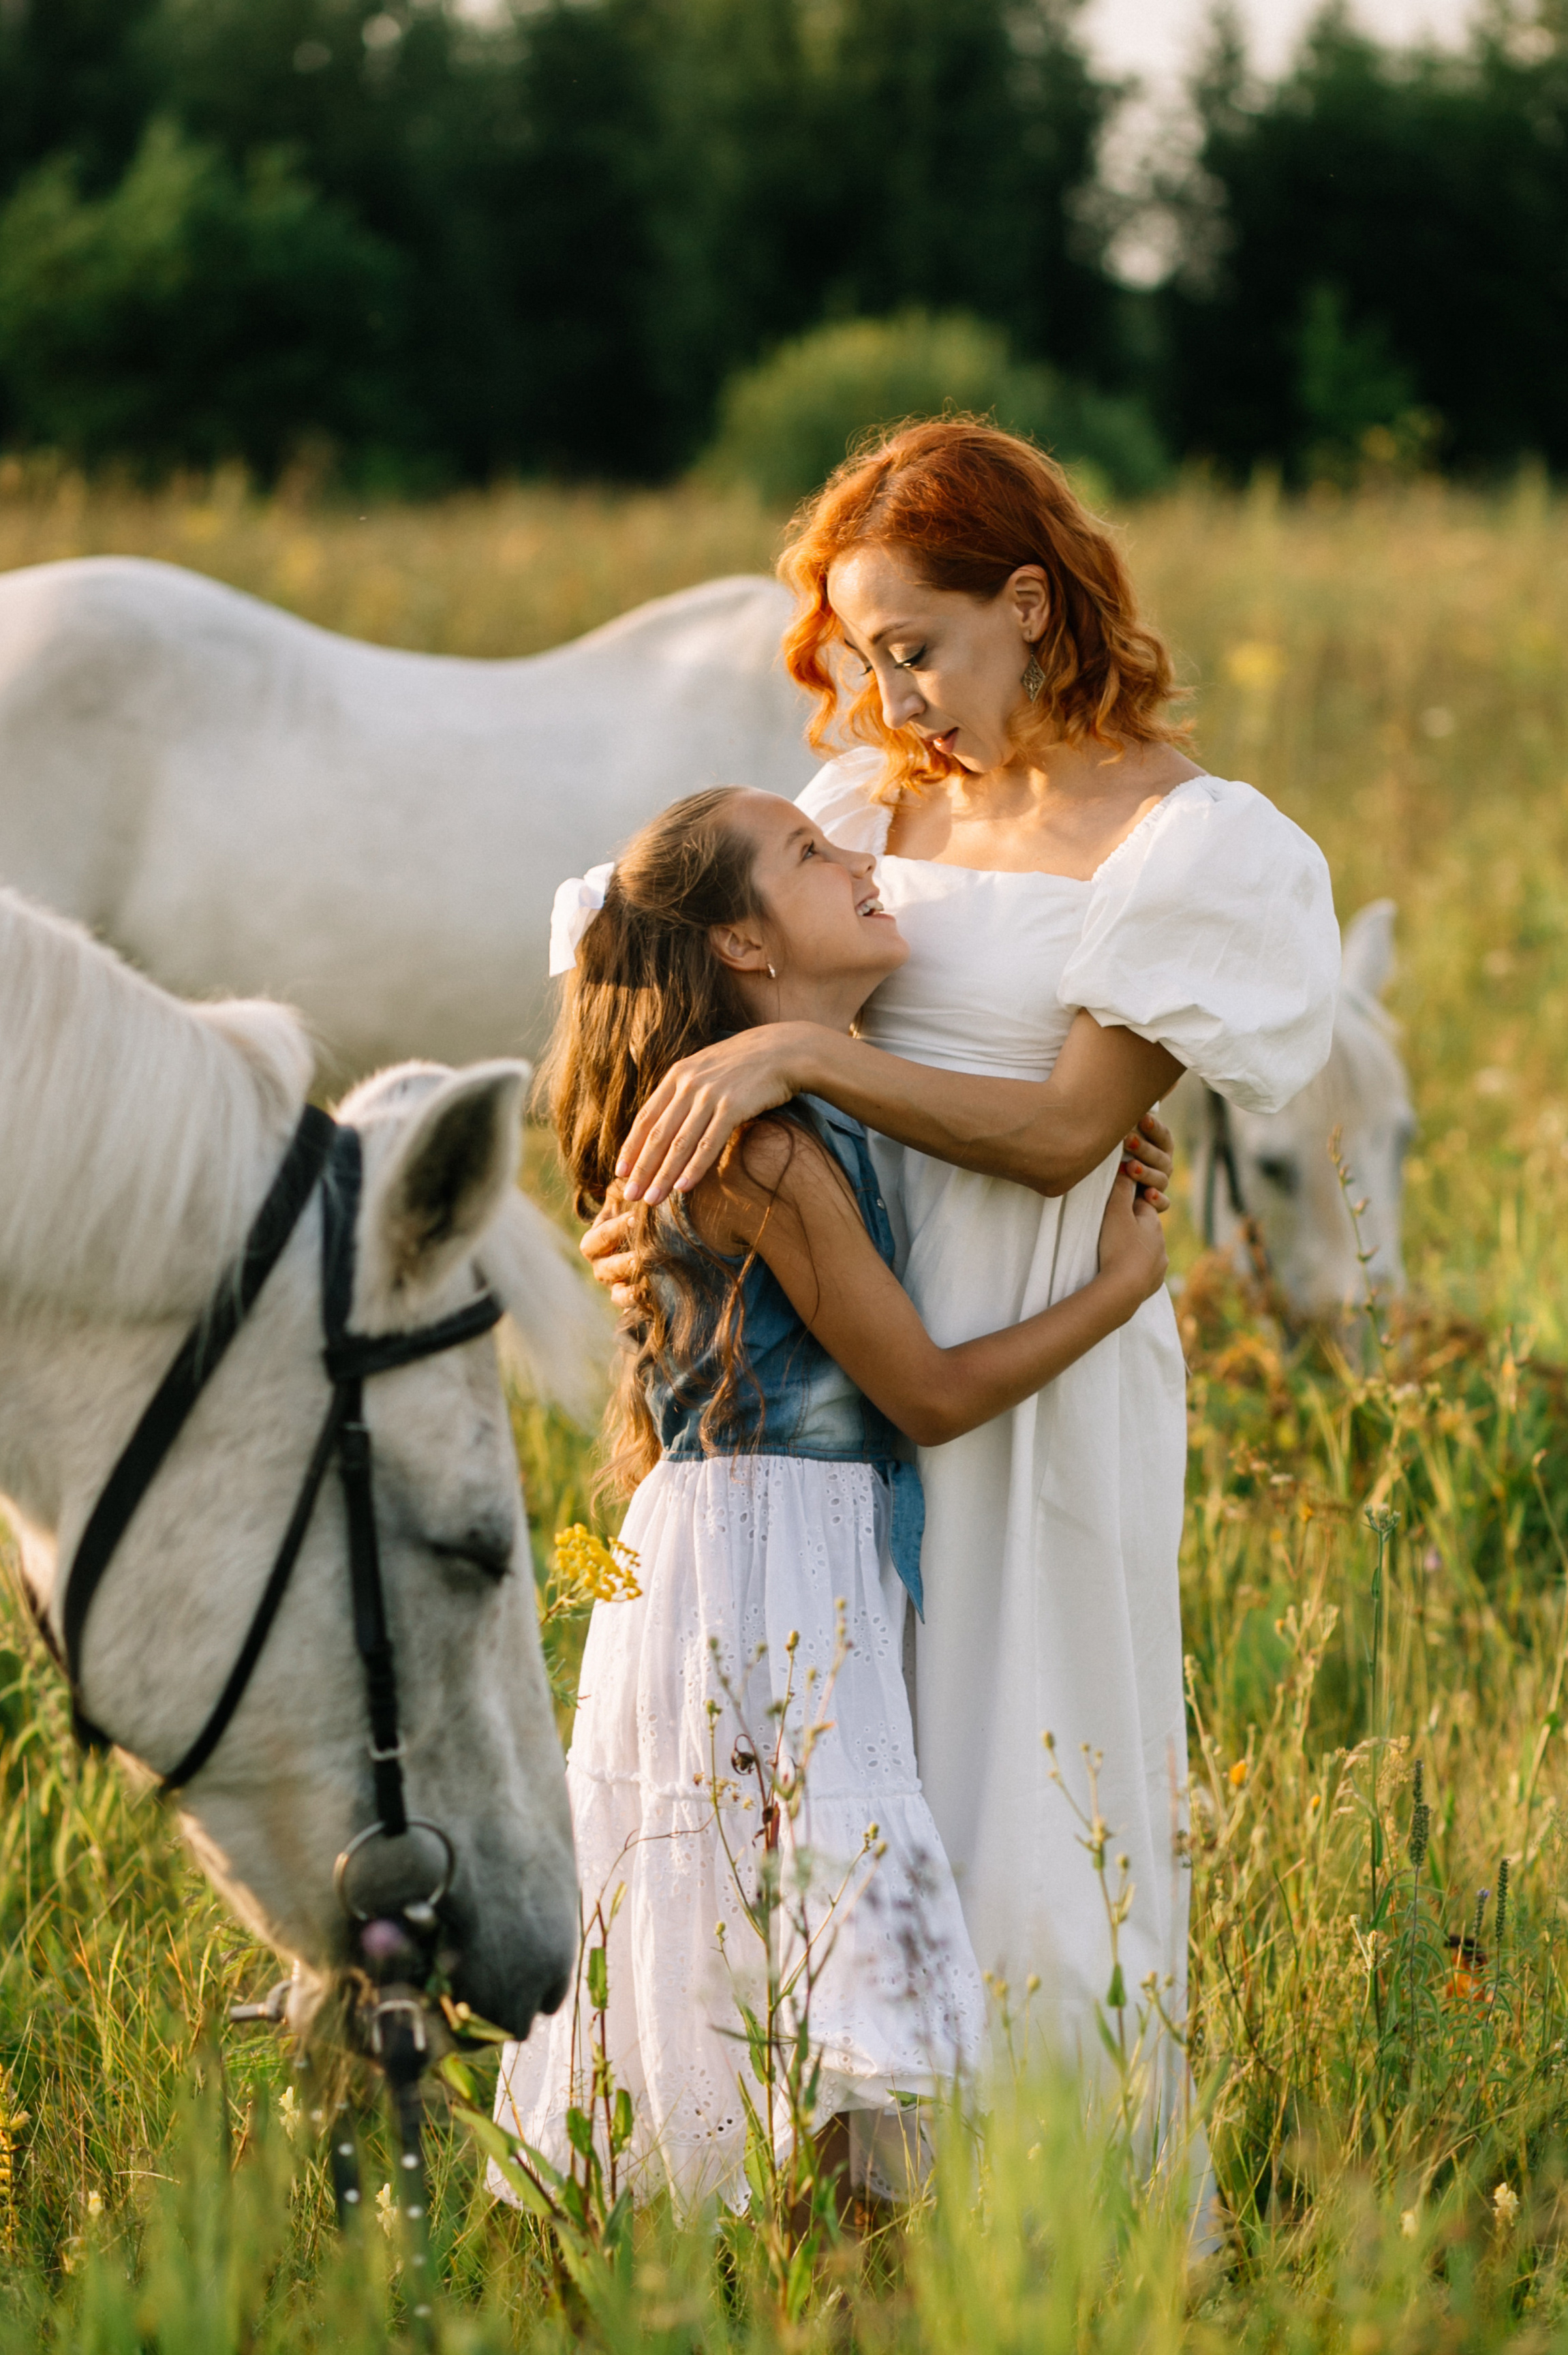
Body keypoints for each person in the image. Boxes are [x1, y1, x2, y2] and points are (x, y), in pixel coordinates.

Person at [585, 420, 1340, 2187]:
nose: (883, 689)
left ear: (1027, 602)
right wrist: (668, 1244)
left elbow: (1073, 1130)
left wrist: (794, 1058)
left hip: (1042, 1338)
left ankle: (1039, 2222)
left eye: (913, 645)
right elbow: (685, 1055)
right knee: (849, 1769)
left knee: (1030, 1758)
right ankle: (826, 2193)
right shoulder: (866, 812)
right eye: (859, 654)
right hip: (845, 1356)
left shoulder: (1187, 840)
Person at [499, 783, 1173, 2210]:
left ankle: (795, 2272)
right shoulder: (776, 1153)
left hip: (740, 1547)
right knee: (819, 1943)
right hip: (768, 1569)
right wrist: (1114, 1288)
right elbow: (922, 1393)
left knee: (776, 1923)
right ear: (743, 946)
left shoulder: (788, 1113)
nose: (859, 855)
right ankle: (831, 2277)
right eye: (813, 855)